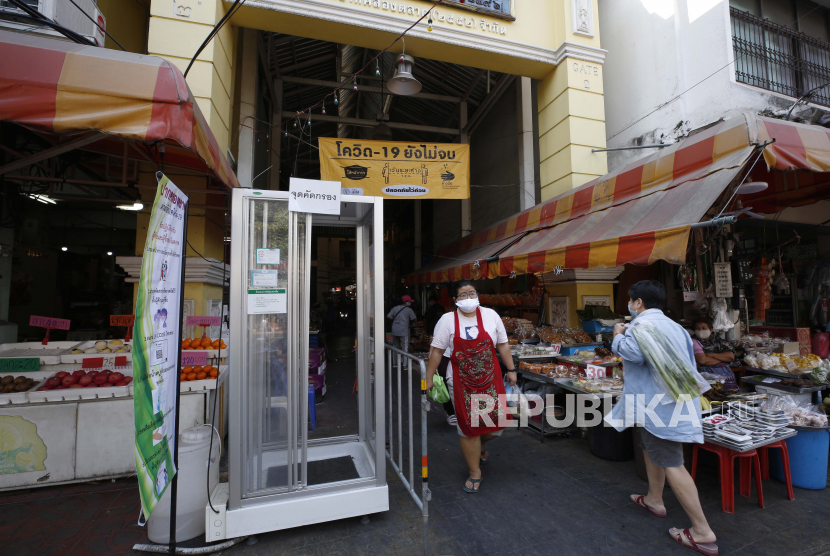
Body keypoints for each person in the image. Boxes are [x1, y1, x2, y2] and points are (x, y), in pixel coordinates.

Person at [608, 280, 717, 556]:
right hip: (665, 403)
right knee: (650, 447)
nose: (629, 305)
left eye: (631, 301)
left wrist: (617, 334)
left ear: (639, 303)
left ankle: (702, 531)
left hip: (661, 405)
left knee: (672, 462)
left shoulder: (642, 327)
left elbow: (633, 354)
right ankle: (654, 499)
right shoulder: (675, 326)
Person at [426, 280, 517, 493]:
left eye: (472, 293)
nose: (468, 298)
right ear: (456, 300)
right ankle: (475, 471)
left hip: (490, 380)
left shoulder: (491, 316)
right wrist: (428, 378)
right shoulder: (447, 320)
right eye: (463, 294)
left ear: (478, 295)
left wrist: (511, 369)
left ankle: (480, 445)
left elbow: (502, 344)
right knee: (468, 429)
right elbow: (437, 351)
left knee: (498, 425)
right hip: (460, 381)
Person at [691, 316, 738, 390]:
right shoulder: (693, 342)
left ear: (711, 330)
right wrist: (723, 359)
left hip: (727, 378)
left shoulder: (719, 342)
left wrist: (711, 355)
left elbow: (731, 357)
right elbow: (702, 360)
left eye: (704, 328)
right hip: (707, 378)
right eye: (698, 328)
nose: (701, 330)